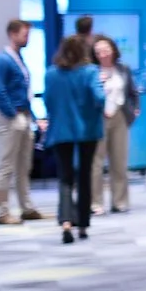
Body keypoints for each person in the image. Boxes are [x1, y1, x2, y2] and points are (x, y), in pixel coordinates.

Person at [42, 35, 103, 245]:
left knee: (65, 177)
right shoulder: (90, 72)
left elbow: (48, 101)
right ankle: (83, 225)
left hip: (60, 130)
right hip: (87, 131)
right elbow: (99, 98)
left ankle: (66, 222)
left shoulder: (51, 74)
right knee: (85, 176)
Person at [0, 19, 41, 224]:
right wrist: (13, 114)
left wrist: (32, 117)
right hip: (11, 117)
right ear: (12, 34)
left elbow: (24, 92)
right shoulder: (1, 60)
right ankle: (2, 211)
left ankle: (26, 207)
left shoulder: (18, 58)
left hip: (23, 115)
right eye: (24, 34)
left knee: (23, 165)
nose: (27, 39)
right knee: (6, 165)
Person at [90, 35, 137, 215]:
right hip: (99, 117)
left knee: (119, 161)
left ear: (113, 50)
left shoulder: (123, 69)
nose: (103, 54)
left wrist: (134, 110)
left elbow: (132, 91)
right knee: (96, 161)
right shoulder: (92, 71)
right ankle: (95, 202)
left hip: (120, 115)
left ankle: (120, 201)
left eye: (106, 49)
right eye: (98, 51)